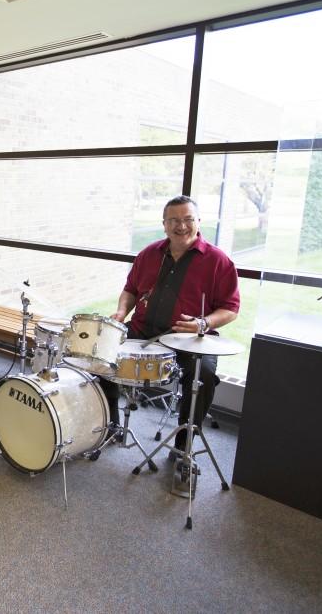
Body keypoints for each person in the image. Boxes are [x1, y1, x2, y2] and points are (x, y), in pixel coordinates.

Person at [99, 195, 240, 462]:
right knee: (101, 355)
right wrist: (121, 311)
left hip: (190, 339)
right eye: (174, 220)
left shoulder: (218, 261)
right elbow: (130, 289)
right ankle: (112, 426)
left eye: (188, 219)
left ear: (198, 222)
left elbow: (230, 308)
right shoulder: (148, 254)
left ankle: (183, 444)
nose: (181, 226)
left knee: (204, 375)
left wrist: (204, 323)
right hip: (142, 329)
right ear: (164, 224)